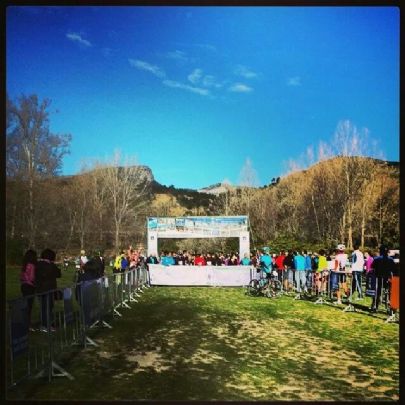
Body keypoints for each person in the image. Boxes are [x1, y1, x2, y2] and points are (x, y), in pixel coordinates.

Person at [35, 249, 61, 332]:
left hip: (40, 289)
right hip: (48, 289)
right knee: (48, 307)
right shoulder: (51, 265)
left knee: (43, 307)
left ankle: (44, 324)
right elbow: (58, 274)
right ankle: (46, 325)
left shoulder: (38, 264)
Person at [370, 245, 396, 312]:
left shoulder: (376, 259)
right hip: (388, 278)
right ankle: (390, 308)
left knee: (377, 292)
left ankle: (375, 306)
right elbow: (394, 269)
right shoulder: (391, 259)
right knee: (389, 292)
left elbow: (372, 267)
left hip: (378, 278)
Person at [20, 249, 37, 331]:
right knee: (28, 306)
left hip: (24, 285)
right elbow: (32, 277)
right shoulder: (32, 265)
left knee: (25, 305)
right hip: (29, 286)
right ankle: (27, 325)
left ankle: (25, 322)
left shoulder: (24, 264)